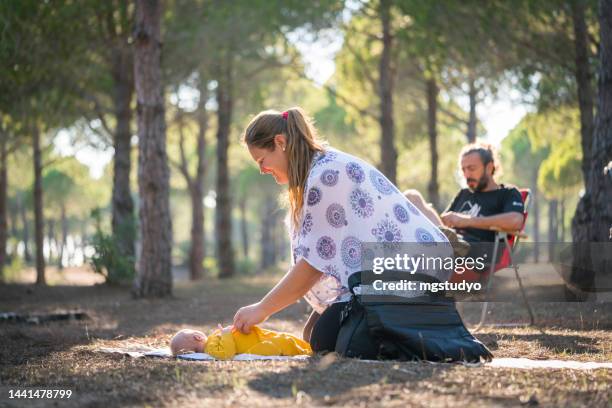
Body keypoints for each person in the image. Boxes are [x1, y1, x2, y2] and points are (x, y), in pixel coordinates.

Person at [232, 107, 452, 353]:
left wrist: (262, 309)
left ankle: (419, 319)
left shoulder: (326, 175)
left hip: (412, 268)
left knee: (323, 340)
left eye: (262, 160)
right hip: (385, 272)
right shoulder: (317, 169)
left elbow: (313, 264)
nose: (261, 170)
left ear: (280, 142)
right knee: (314, 336)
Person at [404, 142, 525, 263]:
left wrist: (466, 221)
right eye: (463, 169)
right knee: (412, 196)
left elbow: (516, 221)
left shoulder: (507, 193)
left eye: (471, 169)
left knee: (443, 239)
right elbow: (444, 224)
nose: (466, 175)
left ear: (489, 168)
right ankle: (445, 242)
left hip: (479, 250)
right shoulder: (464, 194)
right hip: (449, 241)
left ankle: (449, 244)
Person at [169, 326, 312, 359]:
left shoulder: (211, 342)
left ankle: (307, 346)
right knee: (283, 342)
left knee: (283, 337)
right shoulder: (210, 349)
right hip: (256, 345)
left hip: (254, 337)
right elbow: (227, 353)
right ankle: (307, 351)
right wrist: (225, 334)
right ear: (197, 337)